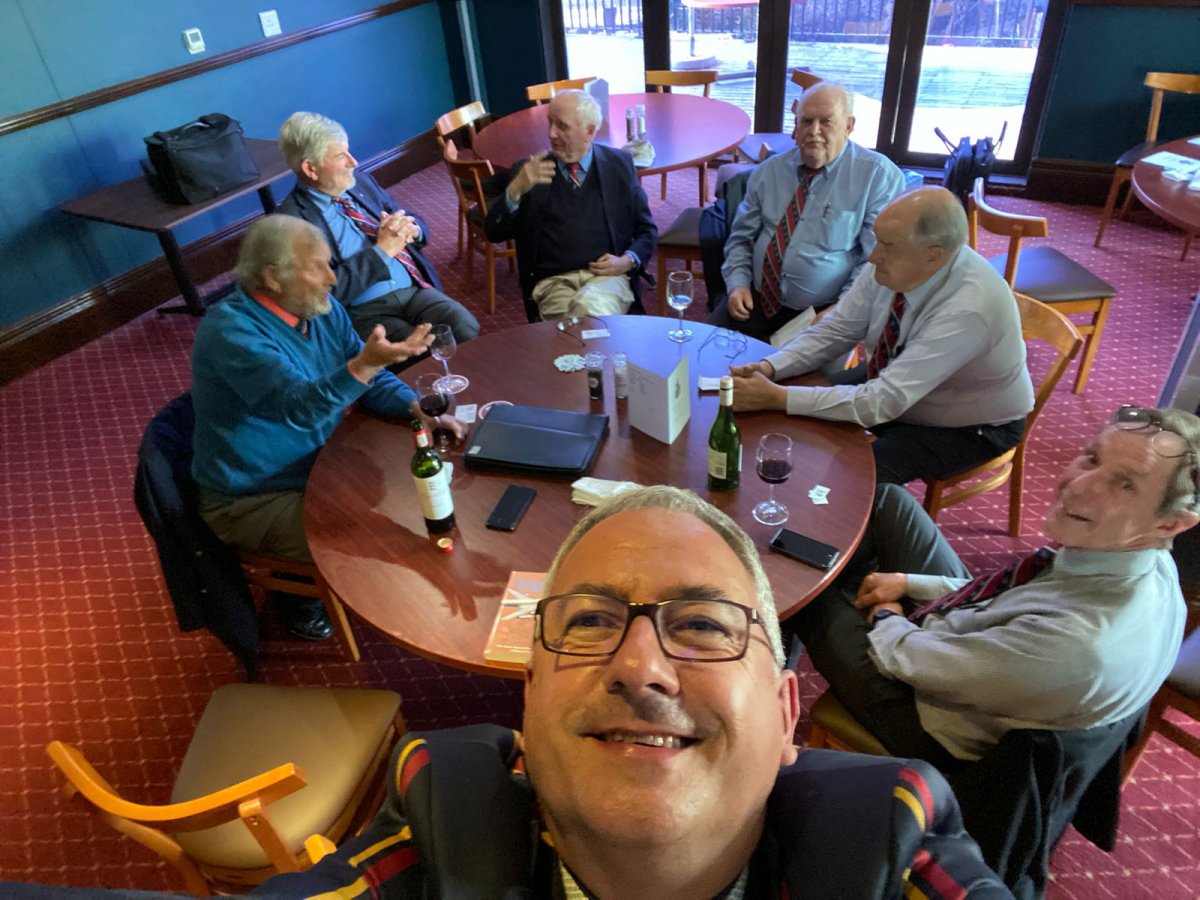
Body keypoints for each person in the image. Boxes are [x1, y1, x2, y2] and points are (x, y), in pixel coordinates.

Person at [254, 486, 1009, 898]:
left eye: (704, 626)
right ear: (528, 701)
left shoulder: (890, 838)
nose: (640, 666)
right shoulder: (436, 814)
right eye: (589, 621)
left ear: (786, 716)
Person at [794, 405, 1200, 768]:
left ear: (1170, 523)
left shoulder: (1078, 647)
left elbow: (905, 659)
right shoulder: (1149, 560)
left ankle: (776, 677)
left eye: (1125, 484)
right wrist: (908, 582)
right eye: (1092, 458)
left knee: (807, 588)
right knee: (890, 501)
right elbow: (1005, 592)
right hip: (975, 646)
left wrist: (886, 614)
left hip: (931, 715)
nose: (1077, 486)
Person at [191, 215, 465, 641]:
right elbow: (299, 409)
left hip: (316, 465)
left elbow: (369, 375)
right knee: (378, 531)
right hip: (254, 497)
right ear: (273, 277)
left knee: (415, 495)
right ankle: (298, 600)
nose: (333, 279)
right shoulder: (231, 332)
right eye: (317, 267)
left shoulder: (317, 308)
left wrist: (415, 408)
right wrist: (364, 366)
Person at [730, 186, 1034, 485]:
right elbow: (837, 329)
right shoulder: (901, 262)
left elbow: (881, 403)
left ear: (932, 256)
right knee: (792, 424)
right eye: (877, 240)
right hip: (896, 377)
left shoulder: (969, 310)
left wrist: (777, 397)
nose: (874, 255)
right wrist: (771, 367)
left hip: (968, 424)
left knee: (850, 481)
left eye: (887, 245)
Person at [711, 82, 905, 340]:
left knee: (789, 367)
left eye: (826, 122)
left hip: (822, 312)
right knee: (706, 350)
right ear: (796, 126)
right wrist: (737, 284)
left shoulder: (878, 177)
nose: (814, 131)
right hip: (754, 299)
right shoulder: (769, 172)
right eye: (807, 121)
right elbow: (740, 238)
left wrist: (842, 309)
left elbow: (874, 261)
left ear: (848, 126)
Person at [277, 111, 478, 354]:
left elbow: (410, 217)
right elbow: (321, 297)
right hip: (365, 311)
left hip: (412, 290)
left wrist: (413, 229)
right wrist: (381, 253)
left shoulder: (360, 182)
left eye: (348, 151)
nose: (353, 162)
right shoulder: (292, 223)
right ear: (310, 169)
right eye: (340, 156)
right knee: (416, 351)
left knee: (462, 324)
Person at [485, 90, 657, 321]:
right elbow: (494, 233)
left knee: (586, 316)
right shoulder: (529, 173)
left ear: (589, 131)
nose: (551, 133)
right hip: (553, 284)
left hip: (607, 279)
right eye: (550, 123)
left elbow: (647, 231)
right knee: (583, 324)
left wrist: (627, 261)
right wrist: (515, 190)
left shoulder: (619, 165)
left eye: (562, 126)